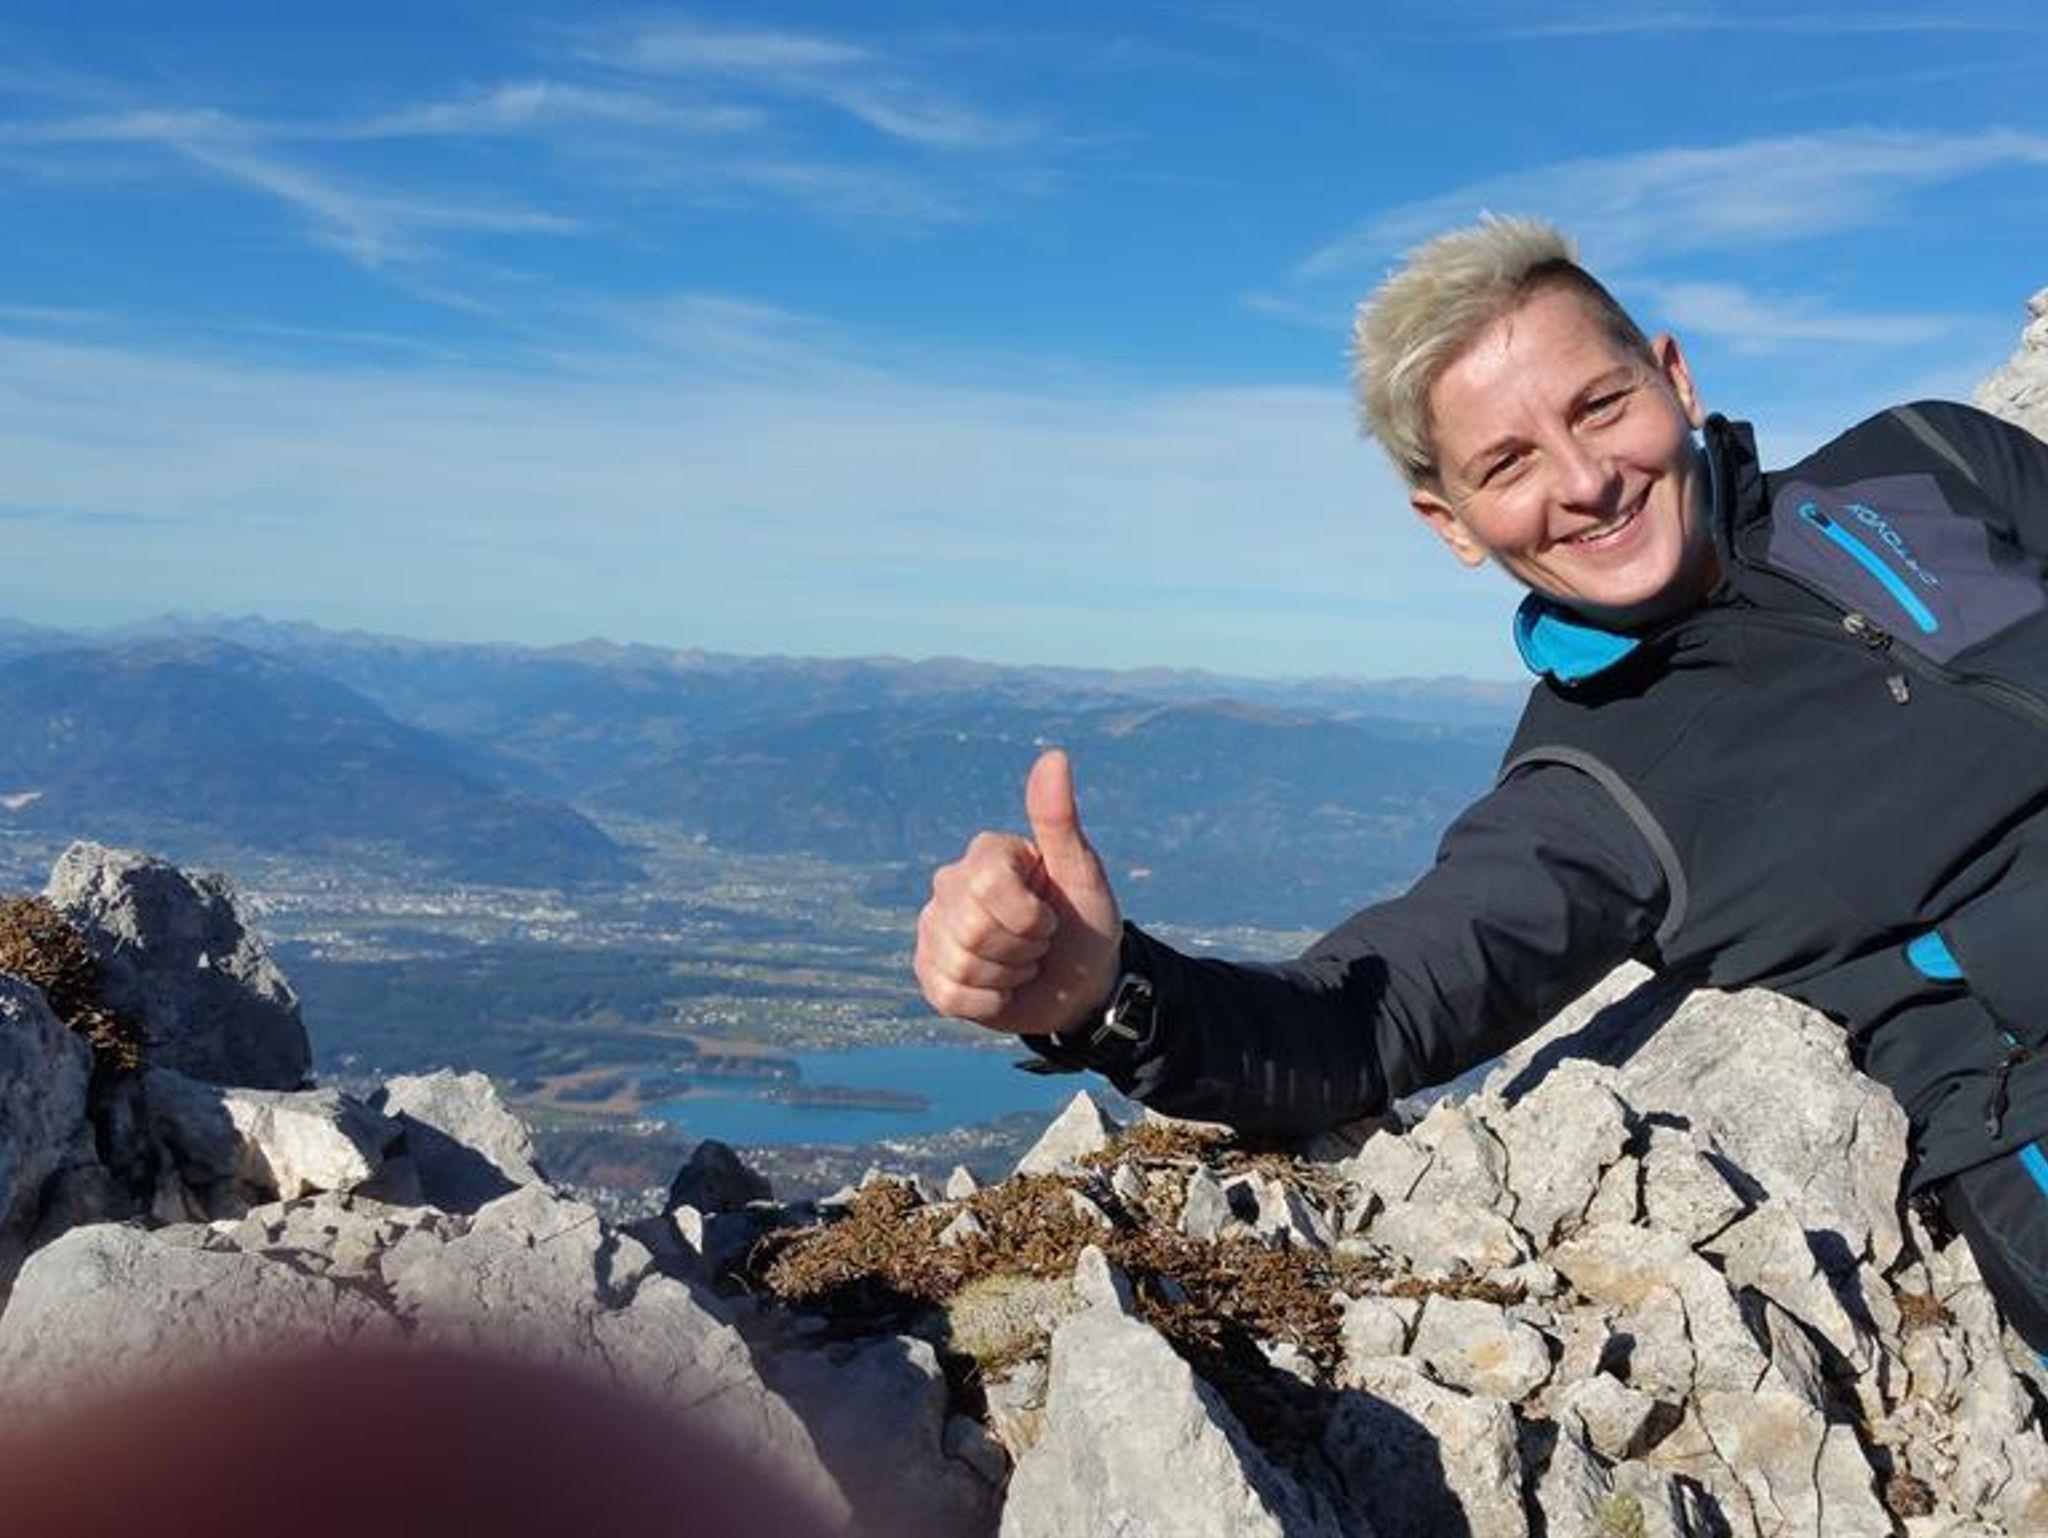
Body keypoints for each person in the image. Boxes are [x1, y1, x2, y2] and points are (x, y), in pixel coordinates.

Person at [912, 216, 2048, 1360]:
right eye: (1507, 464)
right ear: (1448, 522)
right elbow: (1364, 1016)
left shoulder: (1924, 460)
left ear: (1672, 377)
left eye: (1598, 406)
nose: (1586, 481)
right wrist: (1106, 992)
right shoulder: (1593, 791)